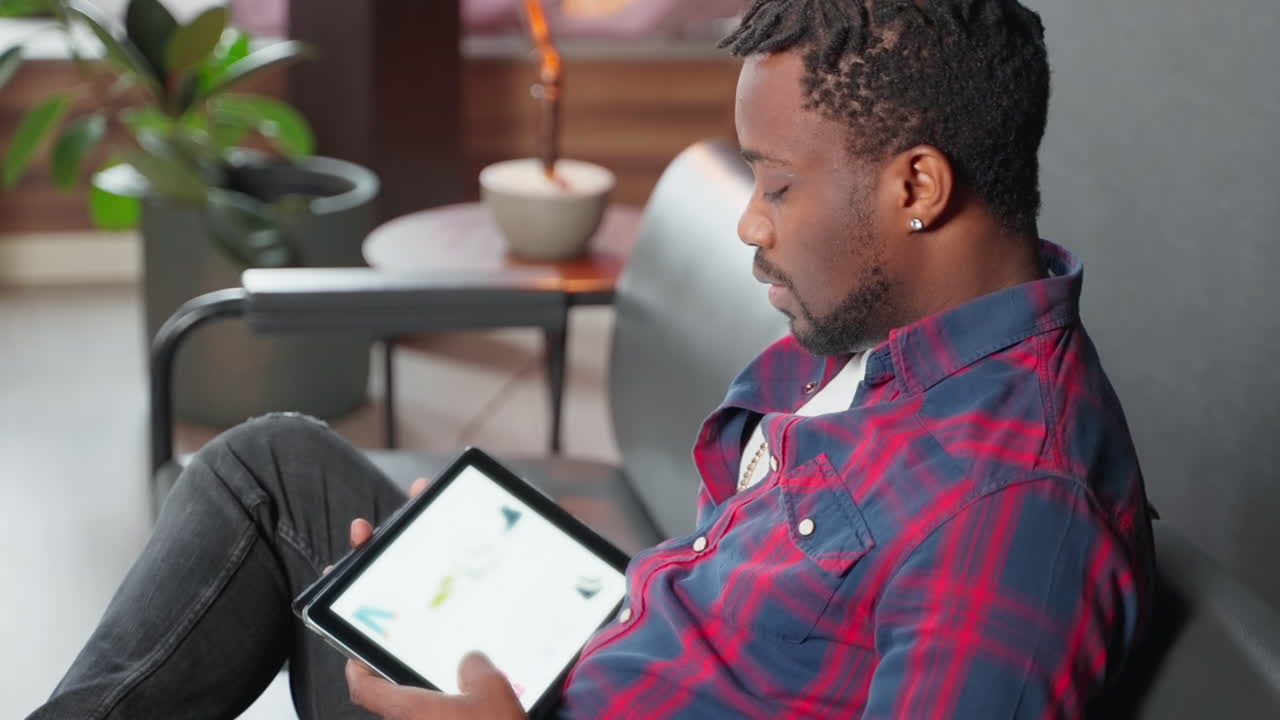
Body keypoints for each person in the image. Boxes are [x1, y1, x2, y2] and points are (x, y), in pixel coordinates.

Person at [31, 0, 1156, 718]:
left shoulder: (1011, 510)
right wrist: (515, 576)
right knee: (270, 470)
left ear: (915, 186)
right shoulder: (894, 337)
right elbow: (751, 614)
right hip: (559, 667)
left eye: (774, 183)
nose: (750, 224)